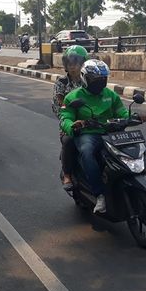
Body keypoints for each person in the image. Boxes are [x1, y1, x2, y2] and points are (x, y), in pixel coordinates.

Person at [59, 59, 146, 213]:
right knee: (87, 152)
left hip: (111, 133)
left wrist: (134, 116)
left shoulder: (110, 95)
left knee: (141, 146)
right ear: (85, 78)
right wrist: (73, 125)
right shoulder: (73, 97)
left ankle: (131, 178)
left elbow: (121, 111)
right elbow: (65, 118)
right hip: (89, 134)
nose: (100, 83)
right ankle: (99, 194)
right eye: (96, 80)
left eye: (103, 79)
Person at [53, 45, 88, 190]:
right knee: (68, 141)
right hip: (70, 124)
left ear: (83, 63)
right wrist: (71, 120)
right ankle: (67, 173)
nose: (72, 66)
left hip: (92, 121)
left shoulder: (89, 79)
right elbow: (57, 108)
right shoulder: (61, 83)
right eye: (69, 62)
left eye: (76, 62)